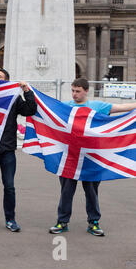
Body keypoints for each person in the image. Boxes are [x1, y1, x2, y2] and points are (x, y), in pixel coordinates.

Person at [49, 78, 136, 236]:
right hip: (70, 157)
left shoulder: (97, 106)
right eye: (73, 91)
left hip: (91, 157)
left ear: (86, 91)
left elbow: (122, 107)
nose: (74, 94)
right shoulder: (66, 106)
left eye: (78, 91)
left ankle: (94, 222)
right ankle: (62, 222)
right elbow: (45, 108)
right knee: (66, 191)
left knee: (91, 191)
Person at [0, 69, 37, 232]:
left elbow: (30, 110)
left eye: (0, 77)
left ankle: (10, 220)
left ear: (7, 81)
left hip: (7, 150)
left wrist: (26, 90)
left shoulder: (13, 98)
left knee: (9, 186)